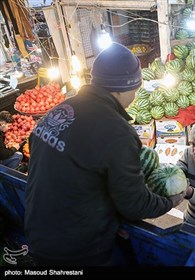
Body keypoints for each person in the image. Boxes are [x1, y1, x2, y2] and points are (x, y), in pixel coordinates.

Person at [25, 42, 186, 266]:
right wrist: (170, 201)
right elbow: (135, 204)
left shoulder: (59, 110)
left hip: (37, 235)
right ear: (126, 88)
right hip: (78, 250)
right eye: (137, 88)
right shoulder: (117, 131)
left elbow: (69, 168)